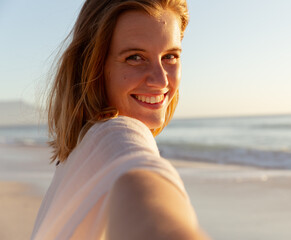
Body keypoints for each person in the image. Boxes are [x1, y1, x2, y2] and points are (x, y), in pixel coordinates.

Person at [31, 0, 209, 239]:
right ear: (93, 66)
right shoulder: (116, 136)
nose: (161, 80)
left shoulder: (82, 151)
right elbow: (138, 177)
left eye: (170, 56)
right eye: (135, 57)